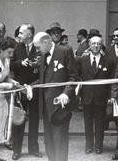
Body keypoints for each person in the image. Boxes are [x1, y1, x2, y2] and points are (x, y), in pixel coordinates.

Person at [33, 32, 79, 161]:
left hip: (60, 106)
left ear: (46, 42)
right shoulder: (43, 55)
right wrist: (29, 87)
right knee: (49, 141)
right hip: (45, 107)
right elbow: (43, 80)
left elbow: (74, 76)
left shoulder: (65, 51)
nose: (37, 50)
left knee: (60, 141)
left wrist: (66, 93)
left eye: (38, 47)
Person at [10, 23, 42, 160]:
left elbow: (45, 65)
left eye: (21, 33)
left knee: (34, 119)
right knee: (18, 120)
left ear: (29, 34)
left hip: (35, 87)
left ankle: (33, 149)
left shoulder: (40, 47)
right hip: (20, 89)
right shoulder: (16, 48)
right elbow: (9, 64)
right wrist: (19, 62)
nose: (19, 35)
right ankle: (16, 150)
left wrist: (38, 65)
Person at [77, 36, 114, 155]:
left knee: (100, 123)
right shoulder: (83, 60)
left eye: (98, 44)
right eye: (93, 43)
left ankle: (99, 145)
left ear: (101, 45)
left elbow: (111, 80)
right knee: (88, 123)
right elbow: (78, 78)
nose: (96, 46)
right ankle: (89, 145)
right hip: (87, 97)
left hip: (101, 97)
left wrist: (109, 96)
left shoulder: (108, 61)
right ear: (89, 44)